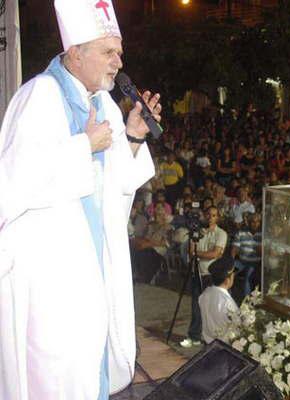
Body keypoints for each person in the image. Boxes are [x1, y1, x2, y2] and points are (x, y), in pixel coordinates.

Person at [0, 1, 160, 398]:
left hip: (94, 271)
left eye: (119, 51)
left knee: (91, 373)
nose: (118, 62)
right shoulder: (38, 97)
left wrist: (134, 136)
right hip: (50, 282)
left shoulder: (102, 103)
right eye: (108, 52)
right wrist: (82, 147)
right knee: (54, 376)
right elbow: (13, 185)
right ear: (75, 53)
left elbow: (114, 187)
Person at [180, 206, 227, 348]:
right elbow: (190, 251)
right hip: (198, 273)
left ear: (217, 217)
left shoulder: (221, 234)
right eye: (208, 214)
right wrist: (199, 252)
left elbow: (215, 254)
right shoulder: (198, 232)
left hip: (211, 275)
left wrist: (197, 253)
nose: (210, 217)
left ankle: (214, 338)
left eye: (213, 215)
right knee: (196, 306)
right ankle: (194, 336)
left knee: (212, 307)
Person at [198, 256, 239, 344]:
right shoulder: (227, 302)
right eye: (233, 276)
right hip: (225, 348)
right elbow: (237, 328)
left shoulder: (205, 294)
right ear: (227, 280)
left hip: (209, 345)